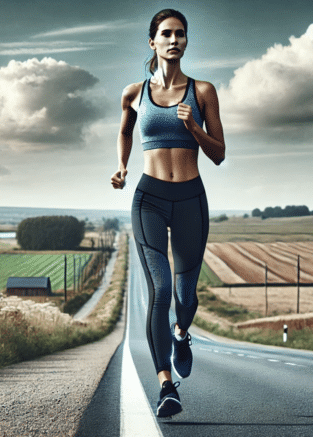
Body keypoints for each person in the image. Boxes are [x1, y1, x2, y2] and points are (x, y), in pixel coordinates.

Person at [110, 8, 226, 418]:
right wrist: (123, 166)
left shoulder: (204, 91)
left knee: (184, 296)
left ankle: (181, 333)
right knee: (159, 291)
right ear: (152, 42)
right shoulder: (133, 92)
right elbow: (125, 129)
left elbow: (219, 154)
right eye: (166, 34)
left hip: (192, 197)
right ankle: (165, 385)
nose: (174, 39)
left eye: (180, 34)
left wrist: (194, 127)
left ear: (186, 41)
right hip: (150, 199)